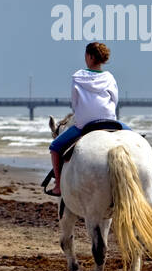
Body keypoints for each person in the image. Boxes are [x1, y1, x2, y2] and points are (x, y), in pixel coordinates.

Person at [45, 43, 130, 196]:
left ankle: (58, 185)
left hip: (85, 123)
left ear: (90, 56)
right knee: (135, 139)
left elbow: (74, 102)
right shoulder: (109, 77)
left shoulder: (78, 77)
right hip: (110, 121)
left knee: (55, 148)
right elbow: (115, 100)